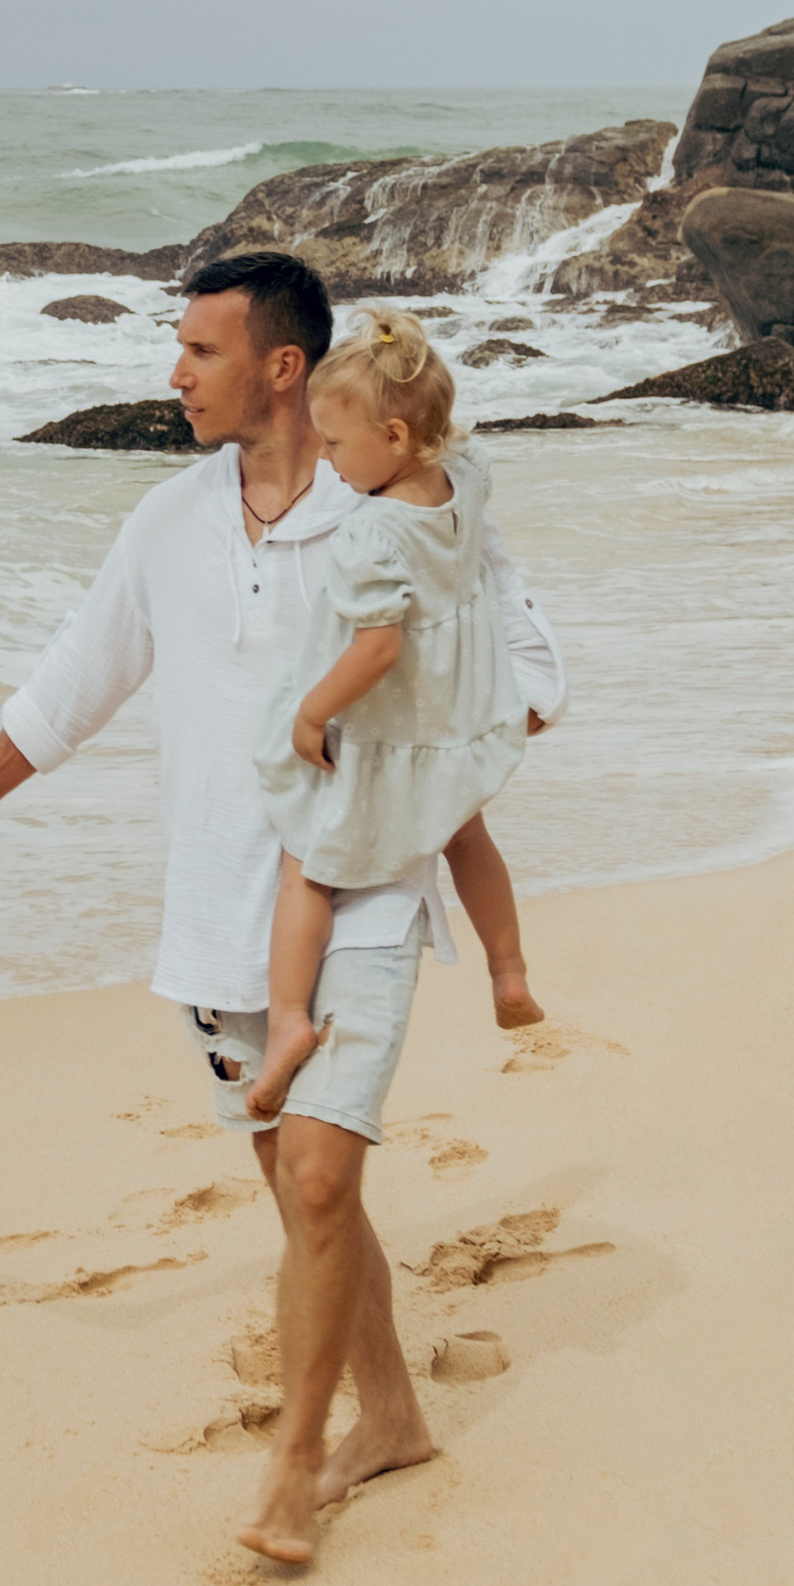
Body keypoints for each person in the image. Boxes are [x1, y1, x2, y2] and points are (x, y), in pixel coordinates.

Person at [0, 250, 565, 1568]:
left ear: (282, 367)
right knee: (305, 1197)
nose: (176, 375)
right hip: (214, 917)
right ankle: (392, 1418)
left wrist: (410, 738)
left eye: (201, 351)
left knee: (316, 1175)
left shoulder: (398, 509)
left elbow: (532, 669)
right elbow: (72, 683)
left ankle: (295, 1469)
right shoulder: (167, 521)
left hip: (360, 888)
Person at [246, 313, 535, 1127]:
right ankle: (508, 971)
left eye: (336, 444)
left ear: (396, 436)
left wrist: (311, 713)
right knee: (467, 835)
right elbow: (464, 464)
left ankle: (289, 1020)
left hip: (392, 717)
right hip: (454, 705)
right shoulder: (463, 480)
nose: (326, 461)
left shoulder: (371, 532)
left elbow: (376, 651)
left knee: (308, 864)